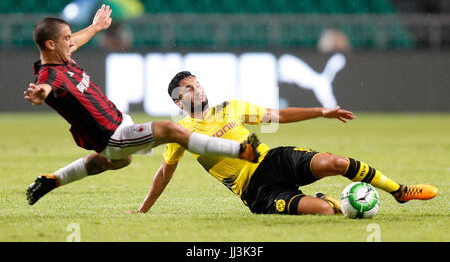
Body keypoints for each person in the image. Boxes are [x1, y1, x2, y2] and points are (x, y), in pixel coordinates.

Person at [24, 5, 260, 206]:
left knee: (119, 161)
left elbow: (76, 40)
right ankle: (241, 150)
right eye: (66, 38)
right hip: (112, 136)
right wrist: (40, 94)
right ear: (51, 45)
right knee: (169, 130)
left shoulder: (61, 56)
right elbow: (45, 87)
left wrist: (96, 27)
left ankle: (53, 179)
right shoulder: (51, 76)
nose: (71, 40)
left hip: (118, 122)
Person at [127, 71, 438, 215]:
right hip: (257, 192)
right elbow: (164, 174)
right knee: (328, 213)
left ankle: (400, 191)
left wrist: (321, 112)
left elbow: (278, 115)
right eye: (189, 89)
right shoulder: (180, 132)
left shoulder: (231, 107)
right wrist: (143, 211)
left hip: (275, 159)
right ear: (180, 102)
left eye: (198, 84)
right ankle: (327, 200)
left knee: (338, 163)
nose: (198, 90)